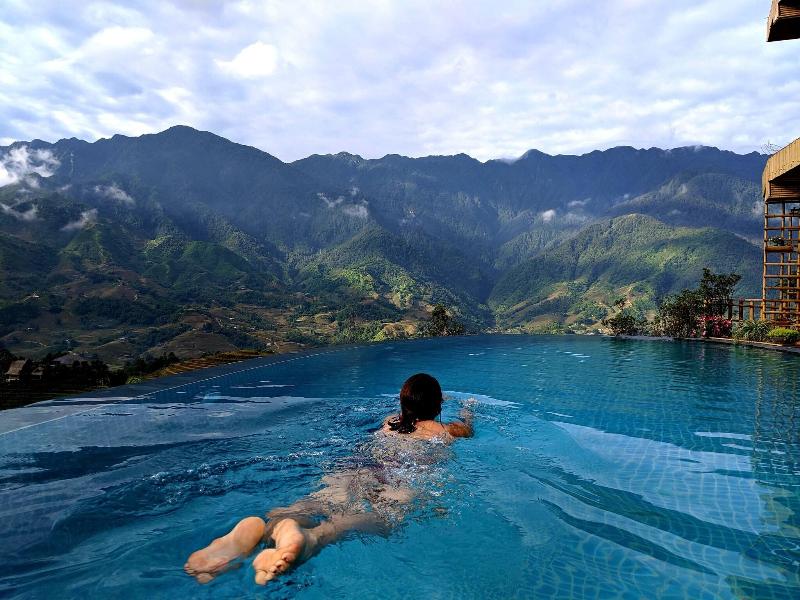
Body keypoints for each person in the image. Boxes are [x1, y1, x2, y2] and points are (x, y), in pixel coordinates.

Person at [184, 373, 474, 585]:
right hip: (400, 474)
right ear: (437, 405)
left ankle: (275, 526)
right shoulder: (446, 431)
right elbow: (467, 427)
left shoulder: (390, 422)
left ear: (403, 403)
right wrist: (467, 410)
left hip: (360, 465)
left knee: (317, 503)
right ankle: (313, 538)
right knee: (383, 521)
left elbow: (410, 411)